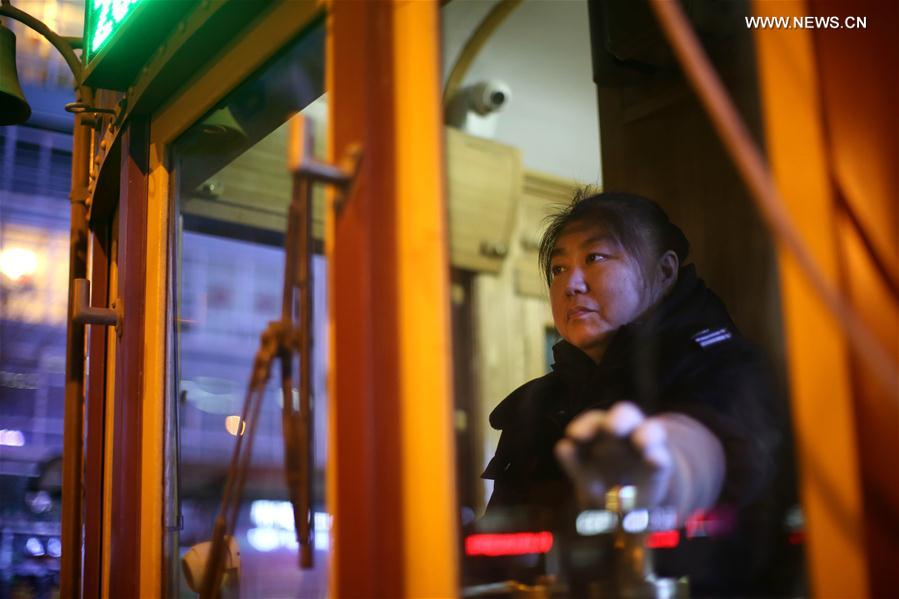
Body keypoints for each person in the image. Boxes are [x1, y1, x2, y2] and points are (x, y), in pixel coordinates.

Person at [481, 190, 788, 596]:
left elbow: (697, 446)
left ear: (665, 272)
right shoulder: (536, 403)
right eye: (558, 268)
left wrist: (657, 465)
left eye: (595, 258)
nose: (571, 284)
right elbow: (505, 553)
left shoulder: (725, 365)